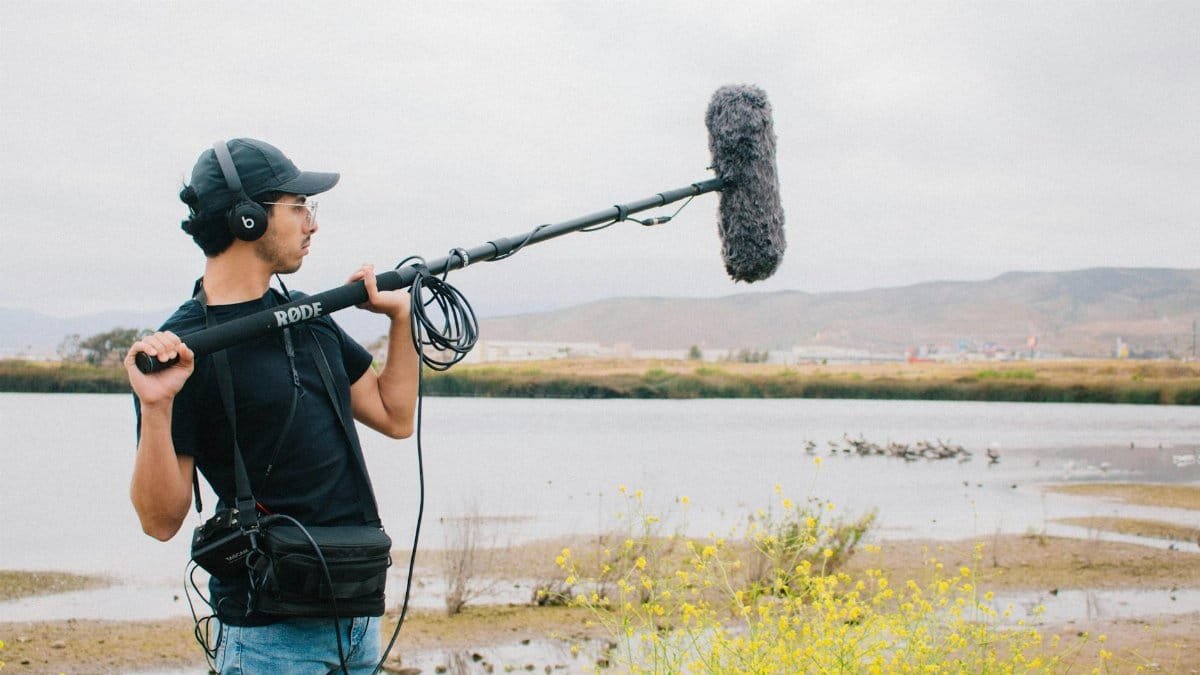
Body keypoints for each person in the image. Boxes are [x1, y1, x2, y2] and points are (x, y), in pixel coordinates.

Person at [124, 138, 419, 673]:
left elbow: (395, 417)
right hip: (269, 638)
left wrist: (400, 321)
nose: (312, 222)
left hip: (358, 616)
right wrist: (156, 408)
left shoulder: (310, 317)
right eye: (298, 206)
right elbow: (160, 521)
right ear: (248, 220)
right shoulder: (181, 349)